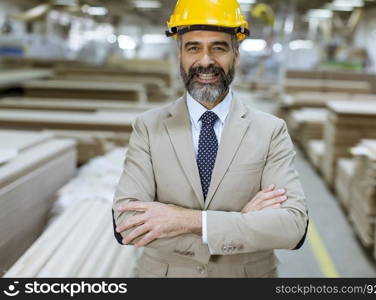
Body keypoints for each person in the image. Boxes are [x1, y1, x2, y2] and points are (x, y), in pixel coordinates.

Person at [112, 0, 308, 278]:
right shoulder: (148, 128)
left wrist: (183, 220)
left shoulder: (271, 131)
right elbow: (127, 225)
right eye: (194, 47)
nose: (205, 61)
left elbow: (293, 229)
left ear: (236, 55)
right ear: (179, 54)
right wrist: (242, 221)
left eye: (218, 47)